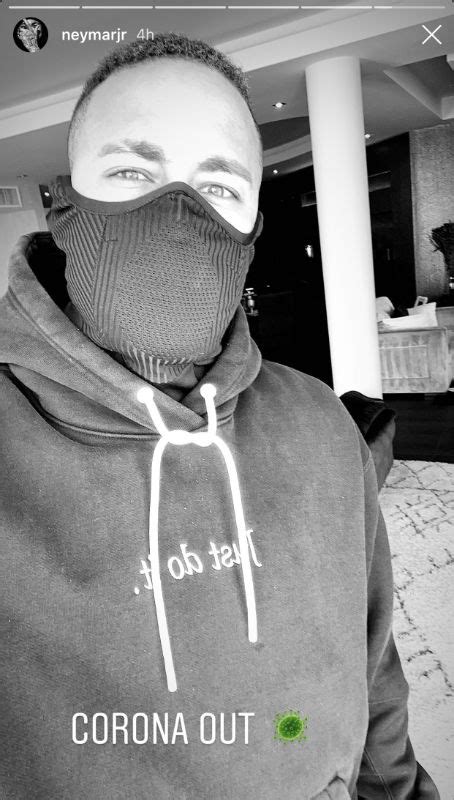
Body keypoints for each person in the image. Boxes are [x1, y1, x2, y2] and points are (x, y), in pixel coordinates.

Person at [0, 33, 440, 800]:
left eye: (220, 184)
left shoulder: (322, 425)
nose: (181, 211)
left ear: (252, 230)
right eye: (131, 171)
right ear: (65, 206)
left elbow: (372, 671)